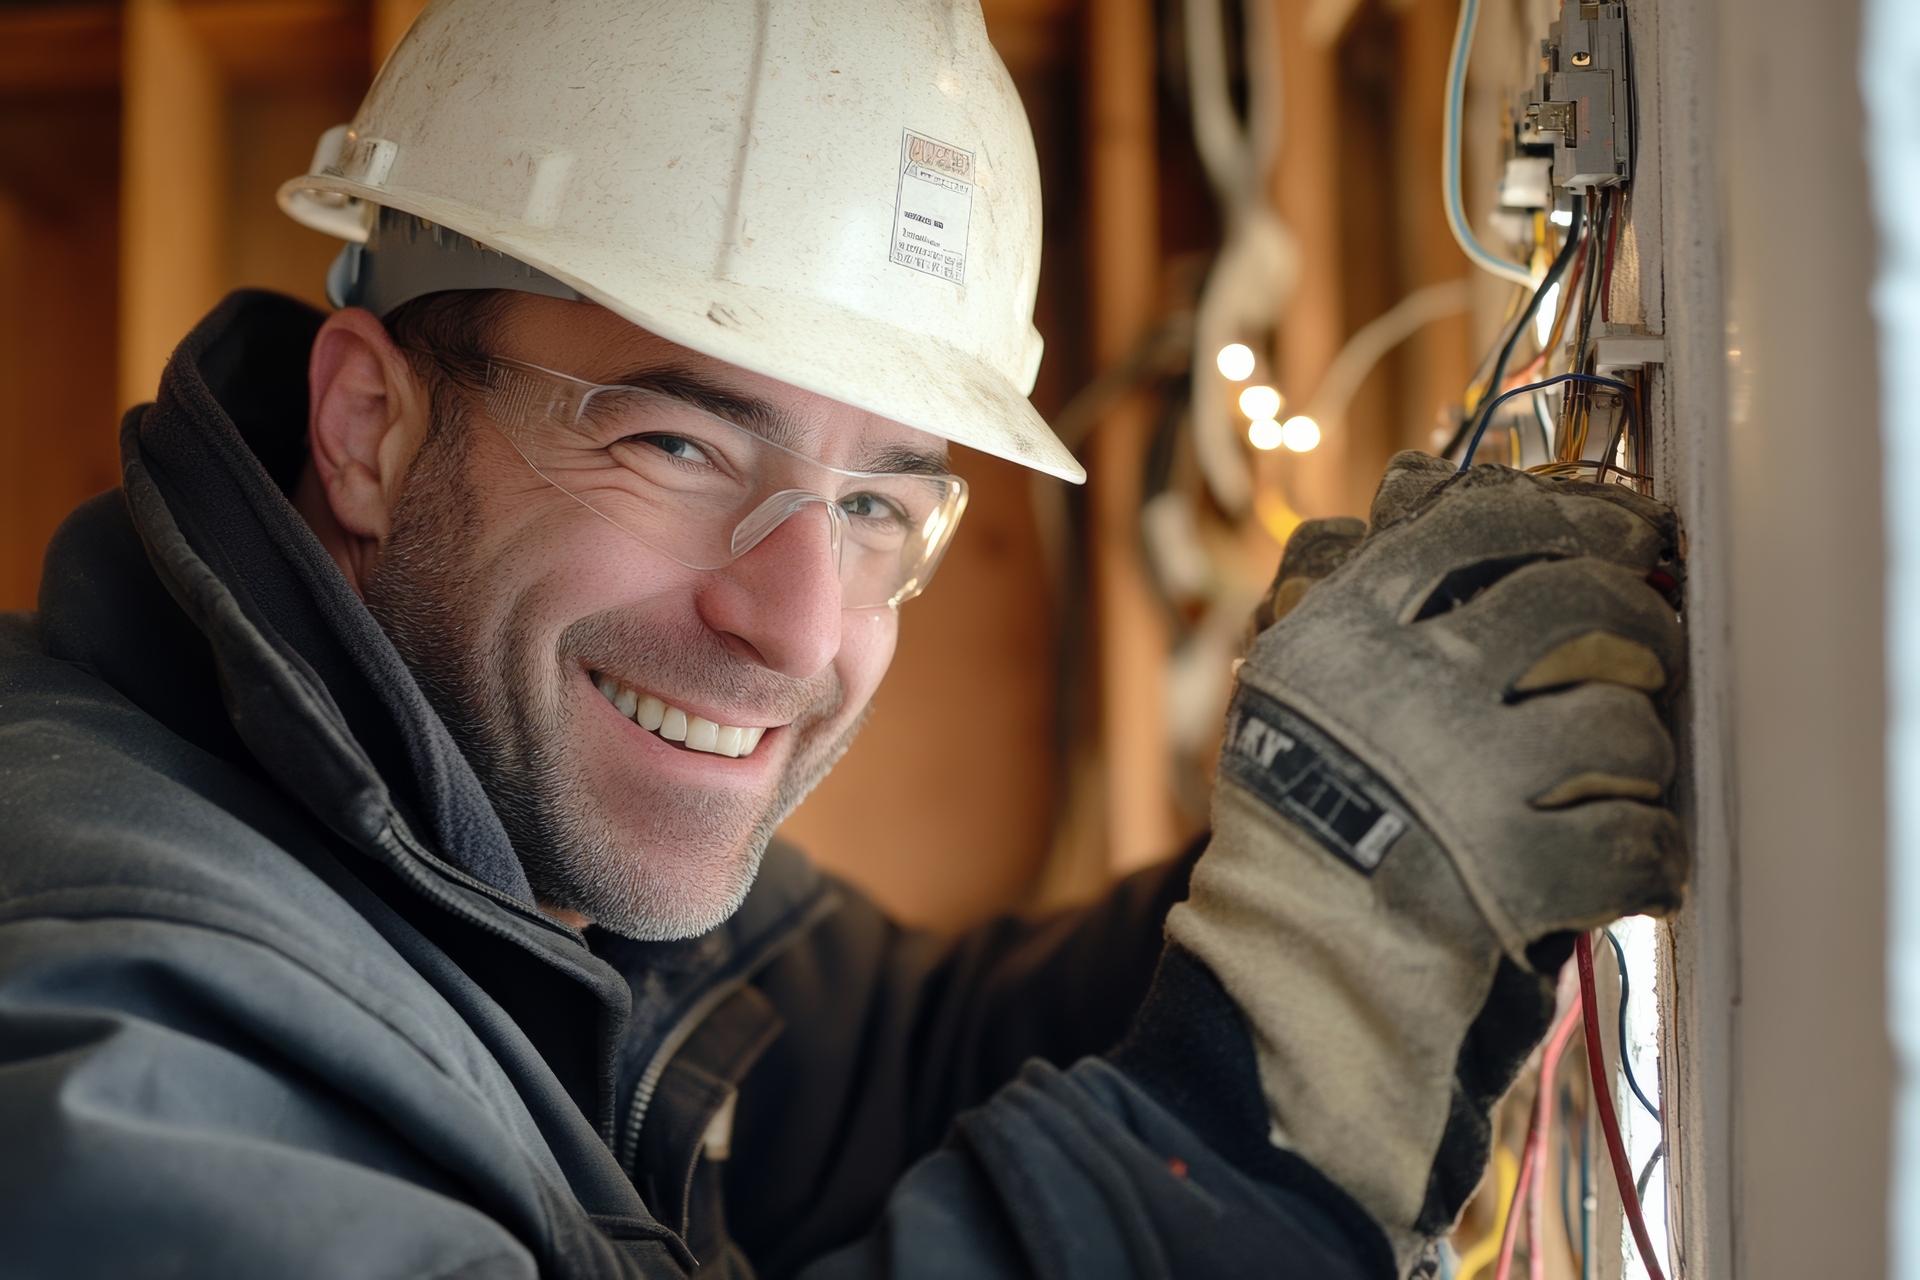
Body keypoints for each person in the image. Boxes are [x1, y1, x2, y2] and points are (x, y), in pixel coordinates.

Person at [0, 1, 1689, 1276]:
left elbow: (901, 1056)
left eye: (883, 502)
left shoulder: (497, 828)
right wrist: (1299, 1045)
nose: (797, 629)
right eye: (677, 444)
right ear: (368, 426)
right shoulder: (115, 1034)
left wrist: (1331, 861)